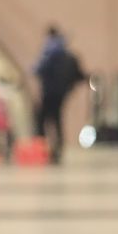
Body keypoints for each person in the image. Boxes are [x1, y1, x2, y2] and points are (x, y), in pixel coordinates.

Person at [33, 27, 86, 164]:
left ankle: (43, 149)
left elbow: (38, 70)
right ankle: (57, 149)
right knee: (56, 121)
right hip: (61, 94)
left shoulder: (48, 53)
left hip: (48, 93)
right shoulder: (68, 55)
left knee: (42, 121)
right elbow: (78, 74)